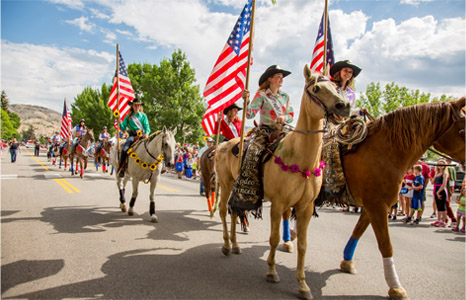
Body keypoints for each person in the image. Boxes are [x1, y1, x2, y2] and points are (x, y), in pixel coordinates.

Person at [232, 65, 294, 233]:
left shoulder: (285, 96)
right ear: (270, 79)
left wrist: (284, 117)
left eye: (282, 77)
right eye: (278, 77)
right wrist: (246, 101)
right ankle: (246, 191)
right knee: (251, 155)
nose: (281, 80)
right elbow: (250, 115)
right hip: (265, 131)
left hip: (284, 130)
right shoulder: (261, 95)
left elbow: (291, 114)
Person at [118, 98, 150, 177]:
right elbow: (123, 128)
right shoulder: (129, 116)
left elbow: (147, 127)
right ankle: (121, 168)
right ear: (132, 106)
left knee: (151, 148)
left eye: (138, 105)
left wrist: (147, 134)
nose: (137, 107)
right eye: (135, 105)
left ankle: (152, 168)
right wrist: (119, 120)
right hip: (132, 136)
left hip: (142, 135)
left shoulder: (143, 116)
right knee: (125, 149)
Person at [431, 161, 449, 227]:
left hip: (441, 189)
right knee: (438, 205)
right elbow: (432, 182)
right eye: (439, 164)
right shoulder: (437, 173)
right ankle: (438, 220)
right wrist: (435, 176)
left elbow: (444, 184)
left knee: (443, 206)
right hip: (436, 188)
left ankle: (443, 221)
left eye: (442, 165)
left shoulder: (445, 174)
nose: (440, 166)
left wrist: (438, 192)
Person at [444, 158, 458, 227]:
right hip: (448, 187)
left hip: (448, 187)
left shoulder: (449, 168)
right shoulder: (449, 168)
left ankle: (453, 219)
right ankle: (445, 219)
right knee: (444, 204)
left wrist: (449, 189)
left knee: (447, 204)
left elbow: (451, 180)